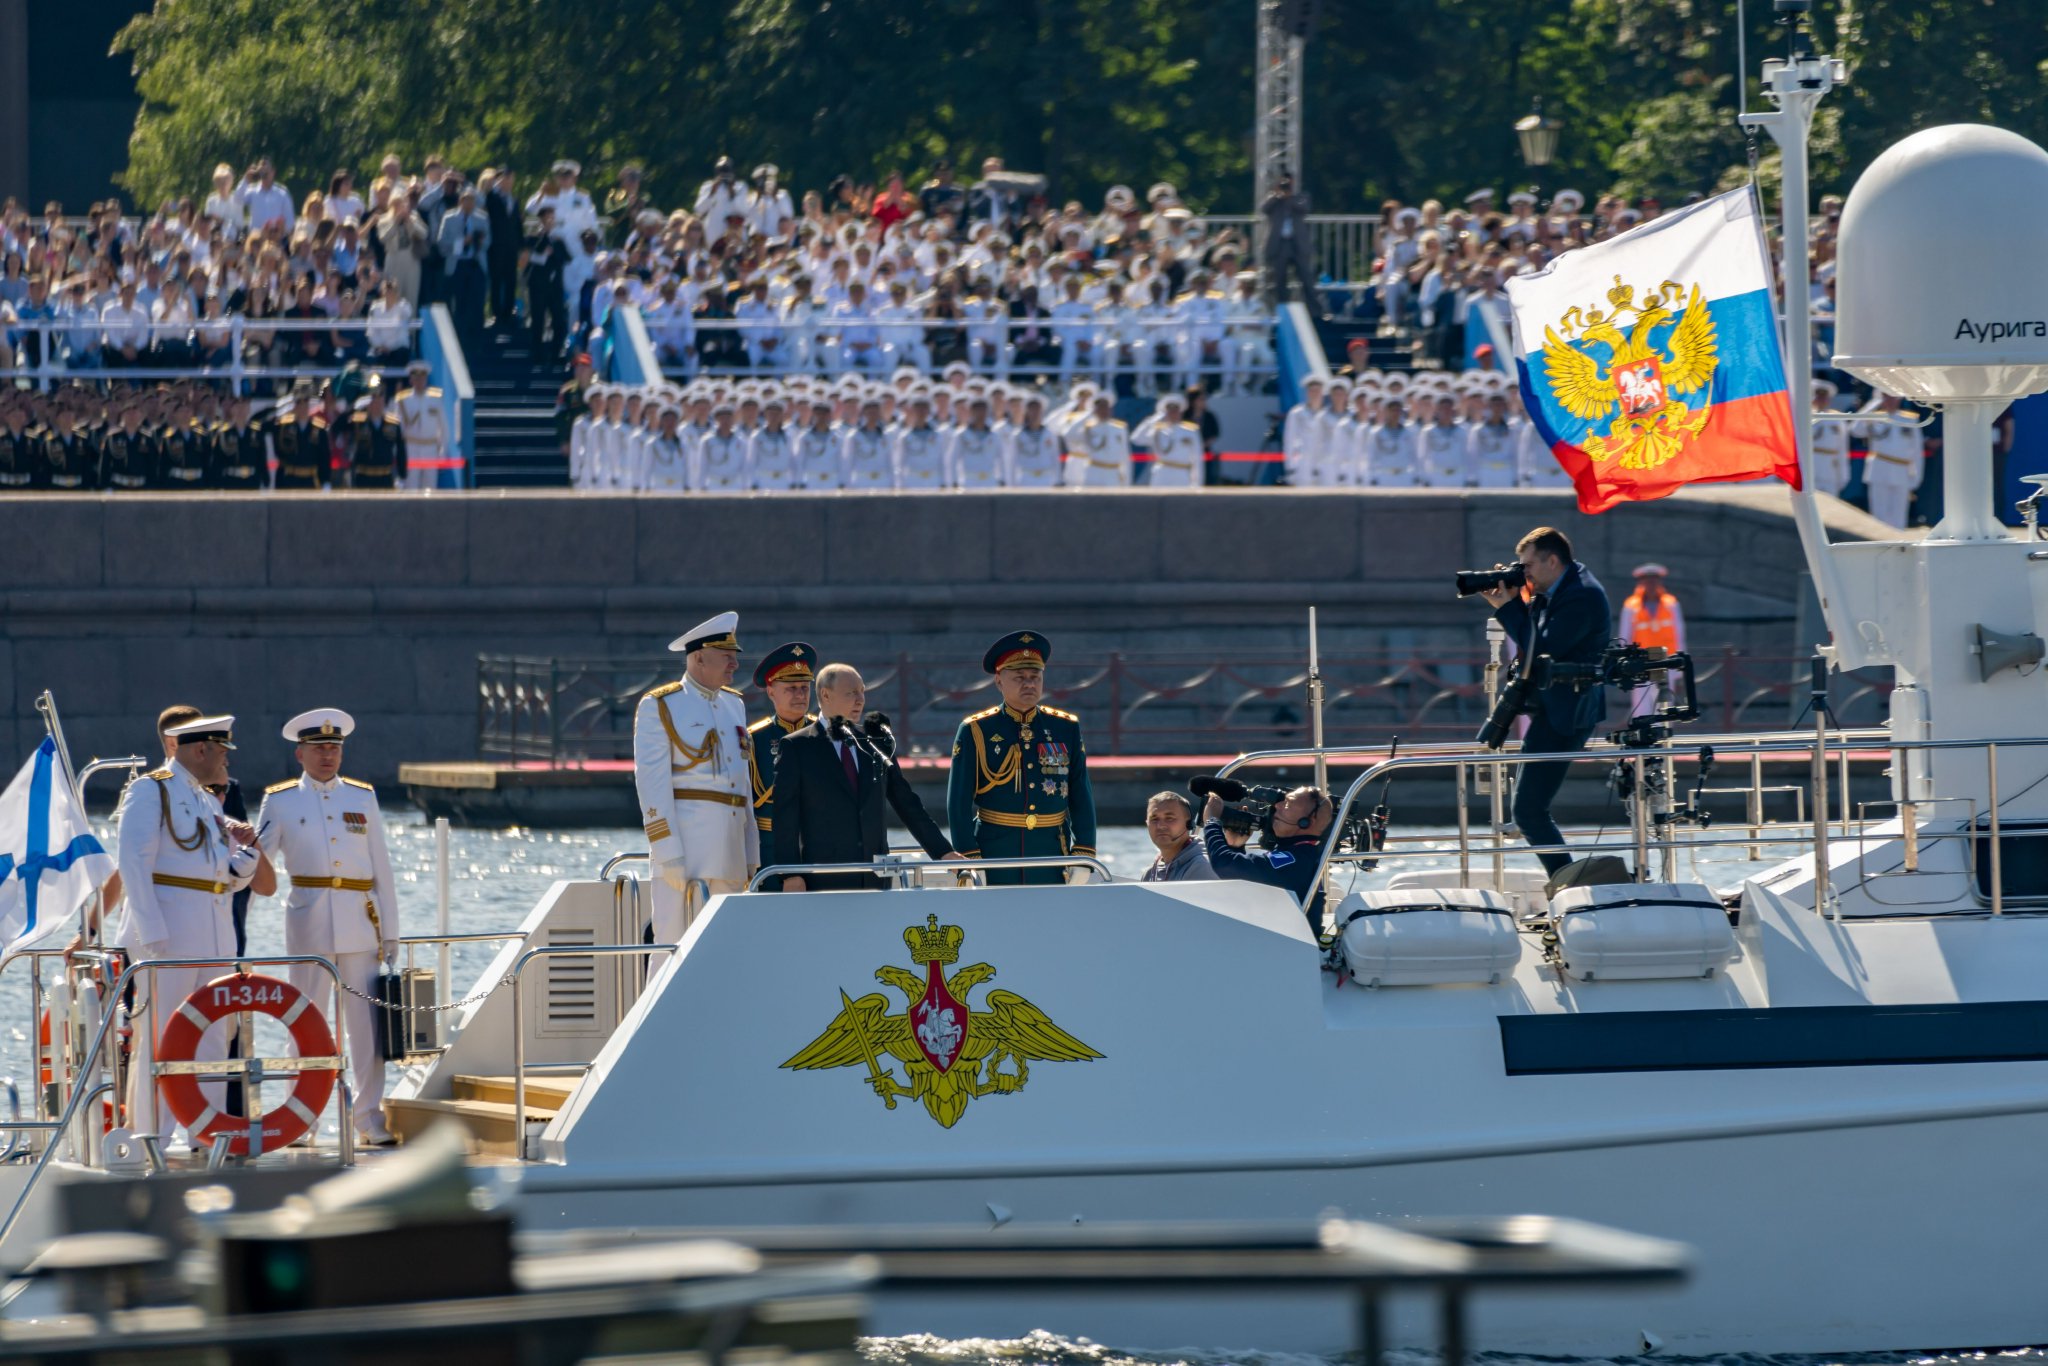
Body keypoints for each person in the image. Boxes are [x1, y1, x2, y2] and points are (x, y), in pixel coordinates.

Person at [111, 713, 263, 1142]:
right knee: (161, 1038)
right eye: (222, 751)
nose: (226, 761)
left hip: (213, 936)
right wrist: (152, 934)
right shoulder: (151, 790)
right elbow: (133, 864)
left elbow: (219, 874)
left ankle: (205, 1135)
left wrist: (245, 862)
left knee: (212, 1037)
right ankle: (149, 1137)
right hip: (169, 937)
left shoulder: (203, 799)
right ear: (201, 750)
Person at [253, 708, 399, 1146]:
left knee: (366, 1027)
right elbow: (257, 862)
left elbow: (383, 871)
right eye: (318, 749)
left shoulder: (362, 797)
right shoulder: (280, 801)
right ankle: (303, 1117)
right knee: (306, 1023)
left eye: (334, 748)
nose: (327, 756)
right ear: (300, 753)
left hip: (360, 922)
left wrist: (391, 931)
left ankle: (369, 1118)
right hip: (308, 923)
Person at [1475, 526, 1612, 875]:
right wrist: (1515, 600)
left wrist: (1507, 609)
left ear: (1553, 560)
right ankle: (1566, 883)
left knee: (1529, 811)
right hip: (1553, 710)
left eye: (1529, 565)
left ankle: (1568, 885)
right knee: (1530, 809)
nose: (1525, 572)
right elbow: (1535, 637)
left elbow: (1543, 647)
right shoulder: (1558, 588)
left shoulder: (1581, 595)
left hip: (1567, 714)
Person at [772, 663, 958, 891]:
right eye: (851, 693)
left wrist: (943, 852)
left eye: (862, 692)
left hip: (876, 878)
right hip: (824, 880)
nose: (860, 700)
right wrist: (790, 874)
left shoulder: (876, 743)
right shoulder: (797, 746)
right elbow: (784, 818)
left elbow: (906, 803)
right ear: (825, 695)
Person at [633, 612, 758, 942]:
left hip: (730, 849)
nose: (734, 665)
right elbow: (652, 784)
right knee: (671, 944)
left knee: (725, 948)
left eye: (735, 657)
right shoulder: (661, 705)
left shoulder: (734, 705)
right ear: (699, 658)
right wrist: (667, 851)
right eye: (727, 657)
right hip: (686, 850)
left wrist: (751, 849)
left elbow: (741, 784)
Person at [946, 631, 1097, 886]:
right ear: (999, 681)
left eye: (1035, 677)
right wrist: (969, 860)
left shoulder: (1065, 727)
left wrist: (1083, 852)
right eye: (1019, 677)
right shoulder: (977, 729)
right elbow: (958, 803)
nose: (1029, 684)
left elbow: (1080, 794)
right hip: (996, 855)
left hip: (1050, 854)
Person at [1199, 785, 1332, 928]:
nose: (1278, 805)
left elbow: (1224, 864)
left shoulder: (1294, 861)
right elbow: (1239, 881)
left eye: (1288, 803)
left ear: (1306, 822)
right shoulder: (1301, 854)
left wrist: (1211, 822)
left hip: (1289, 946)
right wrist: (1235, 847)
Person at [747, 641, 818, 841]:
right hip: (770, 844)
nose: (800, 694)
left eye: (805, 687)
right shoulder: (754, 738)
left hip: (817, 843)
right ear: (771, 692)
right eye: (792, 688)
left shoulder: (824, 734)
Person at [1619, 562, 1686, 718]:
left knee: (1665, 703)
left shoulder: (1671, 604)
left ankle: (1664, 737)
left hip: (1666, 661)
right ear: (1641, 582)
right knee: (1641, 704)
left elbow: (1679, 634)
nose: (1651, 584)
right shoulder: (1631, 606)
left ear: (1659, 582)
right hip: (1642, 662)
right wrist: (1626, 665)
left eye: (1654, 580)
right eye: (1647, 581)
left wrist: (1679, 667)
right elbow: (1625, 636)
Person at [1259, 173, 1321, 314]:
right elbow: (1264, 209)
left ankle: (1315, 311)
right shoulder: (1274, 199)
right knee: (1280, 281)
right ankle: (1282, 311)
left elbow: (1303, 208)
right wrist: (1276, 195)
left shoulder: (1301, 197)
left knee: (1306, 278)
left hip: (1297, 244)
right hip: (1280, 245)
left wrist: (1289, 196)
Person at [395, 361, 448, 491]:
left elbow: (443, 426)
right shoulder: (402, 399)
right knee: (410, 486)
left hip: (430, 447)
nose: (419, 381)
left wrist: (443, 450)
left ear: (426, 379)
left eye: (422, 378)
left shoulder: (435, 398)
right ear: (411, 380)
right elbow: (398, 428)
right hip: (410, 447)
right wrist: (398, 451)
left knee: (430, 486)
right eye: (416, 378)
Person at [1141, 791, 1215, 882]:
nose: (1160, 825)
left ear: (1188, 824)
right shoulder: (1149, 874)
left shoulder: (1202, 867)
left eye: (1169, 818)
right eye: (1154, 819)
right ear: (1147, 824)